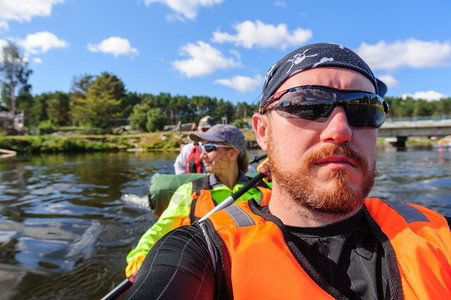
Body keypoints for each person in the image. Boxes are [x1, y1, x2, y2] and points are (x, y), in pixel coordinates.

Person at [126, 43, 451, 299]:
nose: (340, 130)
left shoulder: (436, 234)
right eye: (308, 104)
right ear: (263, 132)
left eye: (364, 109)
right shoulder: (203, 252)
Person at [125, 124, 271, 282]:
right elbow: (161, 228)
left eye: (209, 147)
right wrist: (141, 254)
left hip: (254, 274)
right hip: (207, 277)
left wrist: (278, 167)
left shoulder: (266, 189)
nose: (202, 156)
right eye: (202, 148)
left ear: (232, 153)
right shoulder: (189, 191)